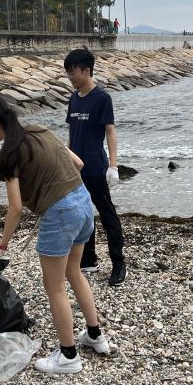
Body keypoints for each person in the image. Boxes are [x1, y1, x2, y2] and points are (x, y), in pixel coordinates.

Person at [0, 95, 110, 374]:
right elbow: (79, 164)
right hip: (84, 203)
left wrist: (1, 247)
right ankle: (96, 336)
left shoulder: (9, 154)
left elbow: (15, 208)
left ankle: (68, 356)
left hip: (61, 215)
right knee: (75, 273)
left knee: (55, 287)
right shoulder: (39, 130)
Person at [64, 47, 126, 286]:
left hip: (96, 168)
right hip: (76, 170)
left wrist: (113, 165)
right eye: (68, 73)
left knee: (107, 213)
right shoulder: (73, 98)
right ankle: (88, 259)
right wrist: (68, 161)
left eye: (73, 72)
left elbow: (110, 130)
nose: (70, 77)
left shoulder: (102, 98)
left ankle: (119, 264)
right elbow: (72, 133)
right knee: (82, 214)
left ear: (86, 70)